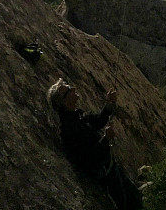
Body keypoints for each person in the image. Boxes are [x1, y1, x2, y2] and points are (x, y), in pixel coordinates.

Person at [47, 79, 142, 210]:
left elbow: (98, 121)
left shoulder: (77, 117)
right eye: (69, 89)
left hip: (110, 169)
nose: (73, 88)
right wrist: (105, 139)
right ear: (64, 101)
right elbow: (88, 157)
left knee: (135, 198)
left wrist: (109, 104)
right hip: (105, 179)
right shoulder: (69, 130)